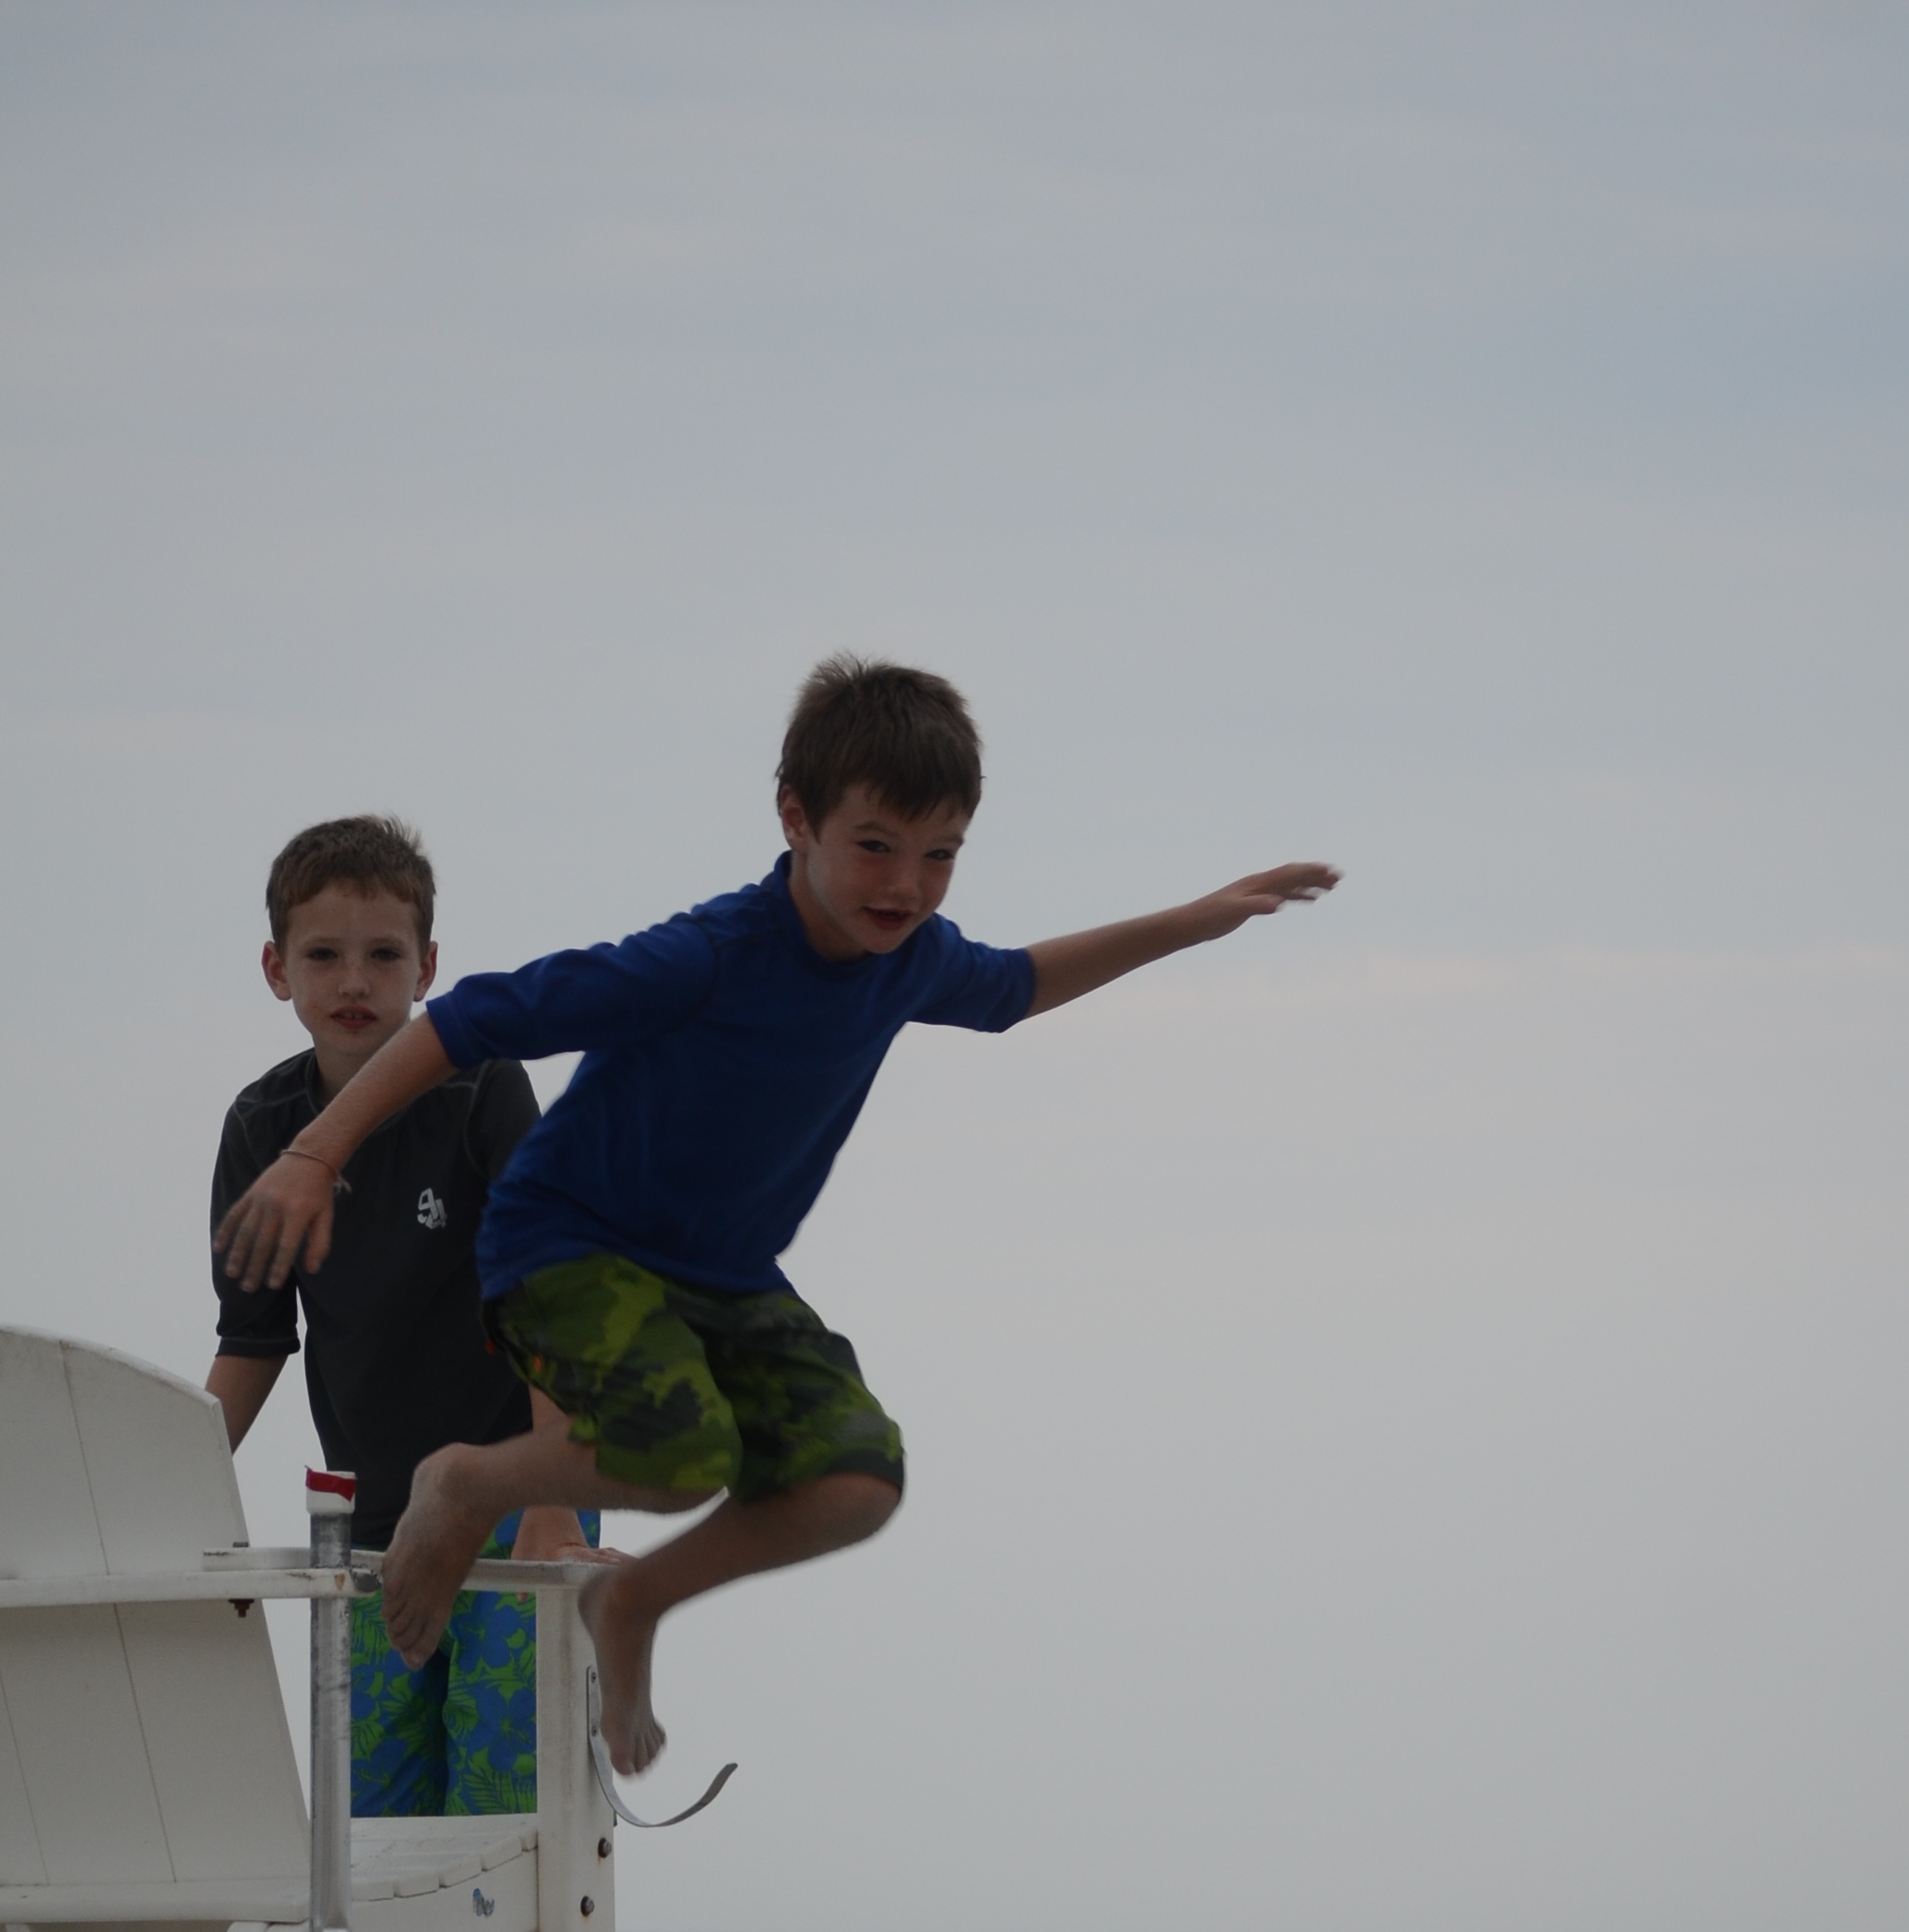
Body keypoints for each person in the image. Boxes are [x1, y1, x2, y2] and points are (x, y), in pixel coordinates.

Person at [214, 658, 1340, 1776]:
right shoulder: (705, 957)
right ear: (797, 818)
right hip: (567, 1246)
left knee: (857, 1480)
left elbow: (1018, 987)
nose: (907, 885)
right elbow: (469, 1019)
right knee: (686, 1453)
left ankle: (640, 1598)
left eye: (940, 855)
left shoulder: (910, 961)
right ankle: (468, 1480)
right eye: (876, 846)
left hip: (720, 1276)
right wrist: (314, 1155)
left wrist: (1196, 921)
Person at [205, 816, 599, 1932]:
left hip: (512, 1513)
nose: (355, 979)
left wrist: (549, 1497)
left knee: (510, 1833)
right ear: (277, 969)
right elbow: (253, 1343)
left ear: (431, 966)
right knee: (387, 1849)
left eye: (385, 953)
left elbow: (549, 1290)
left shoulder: (482, 1086)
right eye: (325, 954)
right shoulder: (262, 1128)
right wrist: (174, 1502)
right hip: (370, 1540)